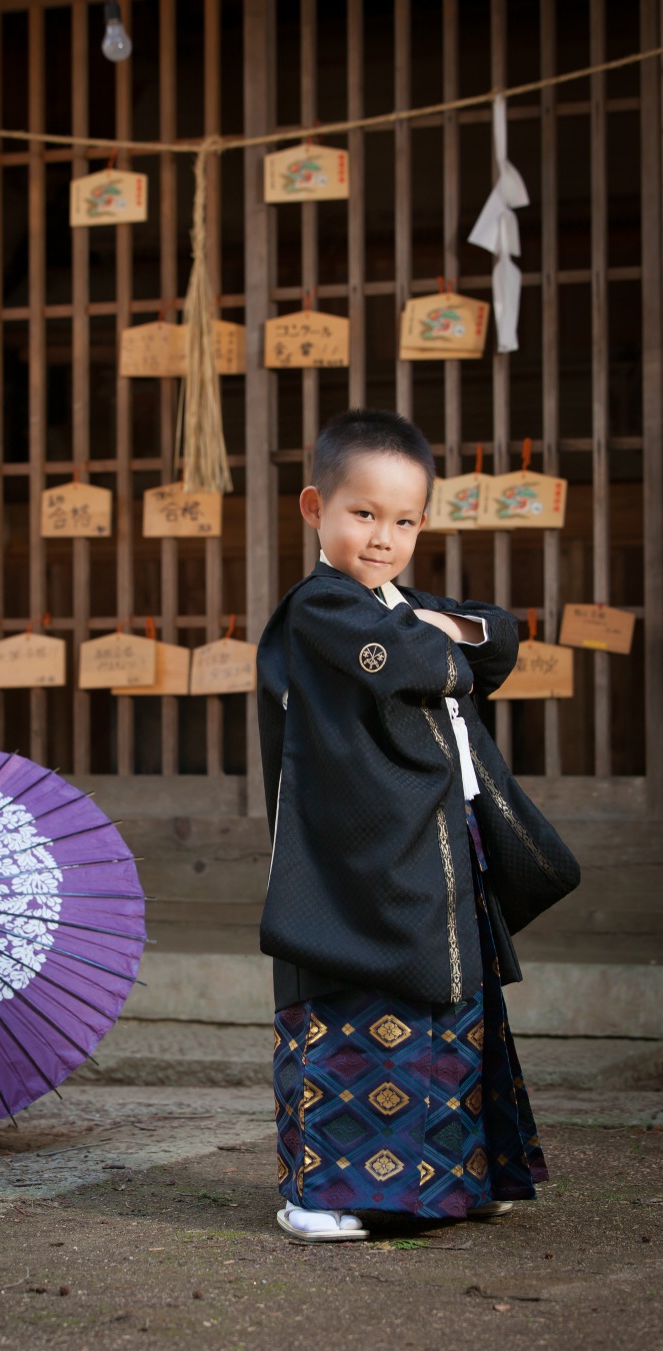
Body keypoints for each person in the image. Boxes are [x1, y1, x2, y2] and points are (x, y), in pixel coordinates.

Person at [256, 408, 549, 1242]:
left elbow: (497, 638)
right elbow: (426, 661)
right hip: (347, 862)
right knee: (349, 1014)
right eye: (363, 513)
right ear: (314, 507)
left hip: (424, 849)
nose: (382, 537)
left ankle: (447, 1184)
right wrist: (430, 630)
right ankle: (317, 1191)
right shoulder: (320, 606)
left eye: (404, 519)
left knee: (445, 1010)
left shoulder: (392, 603)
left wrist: (430, 622)